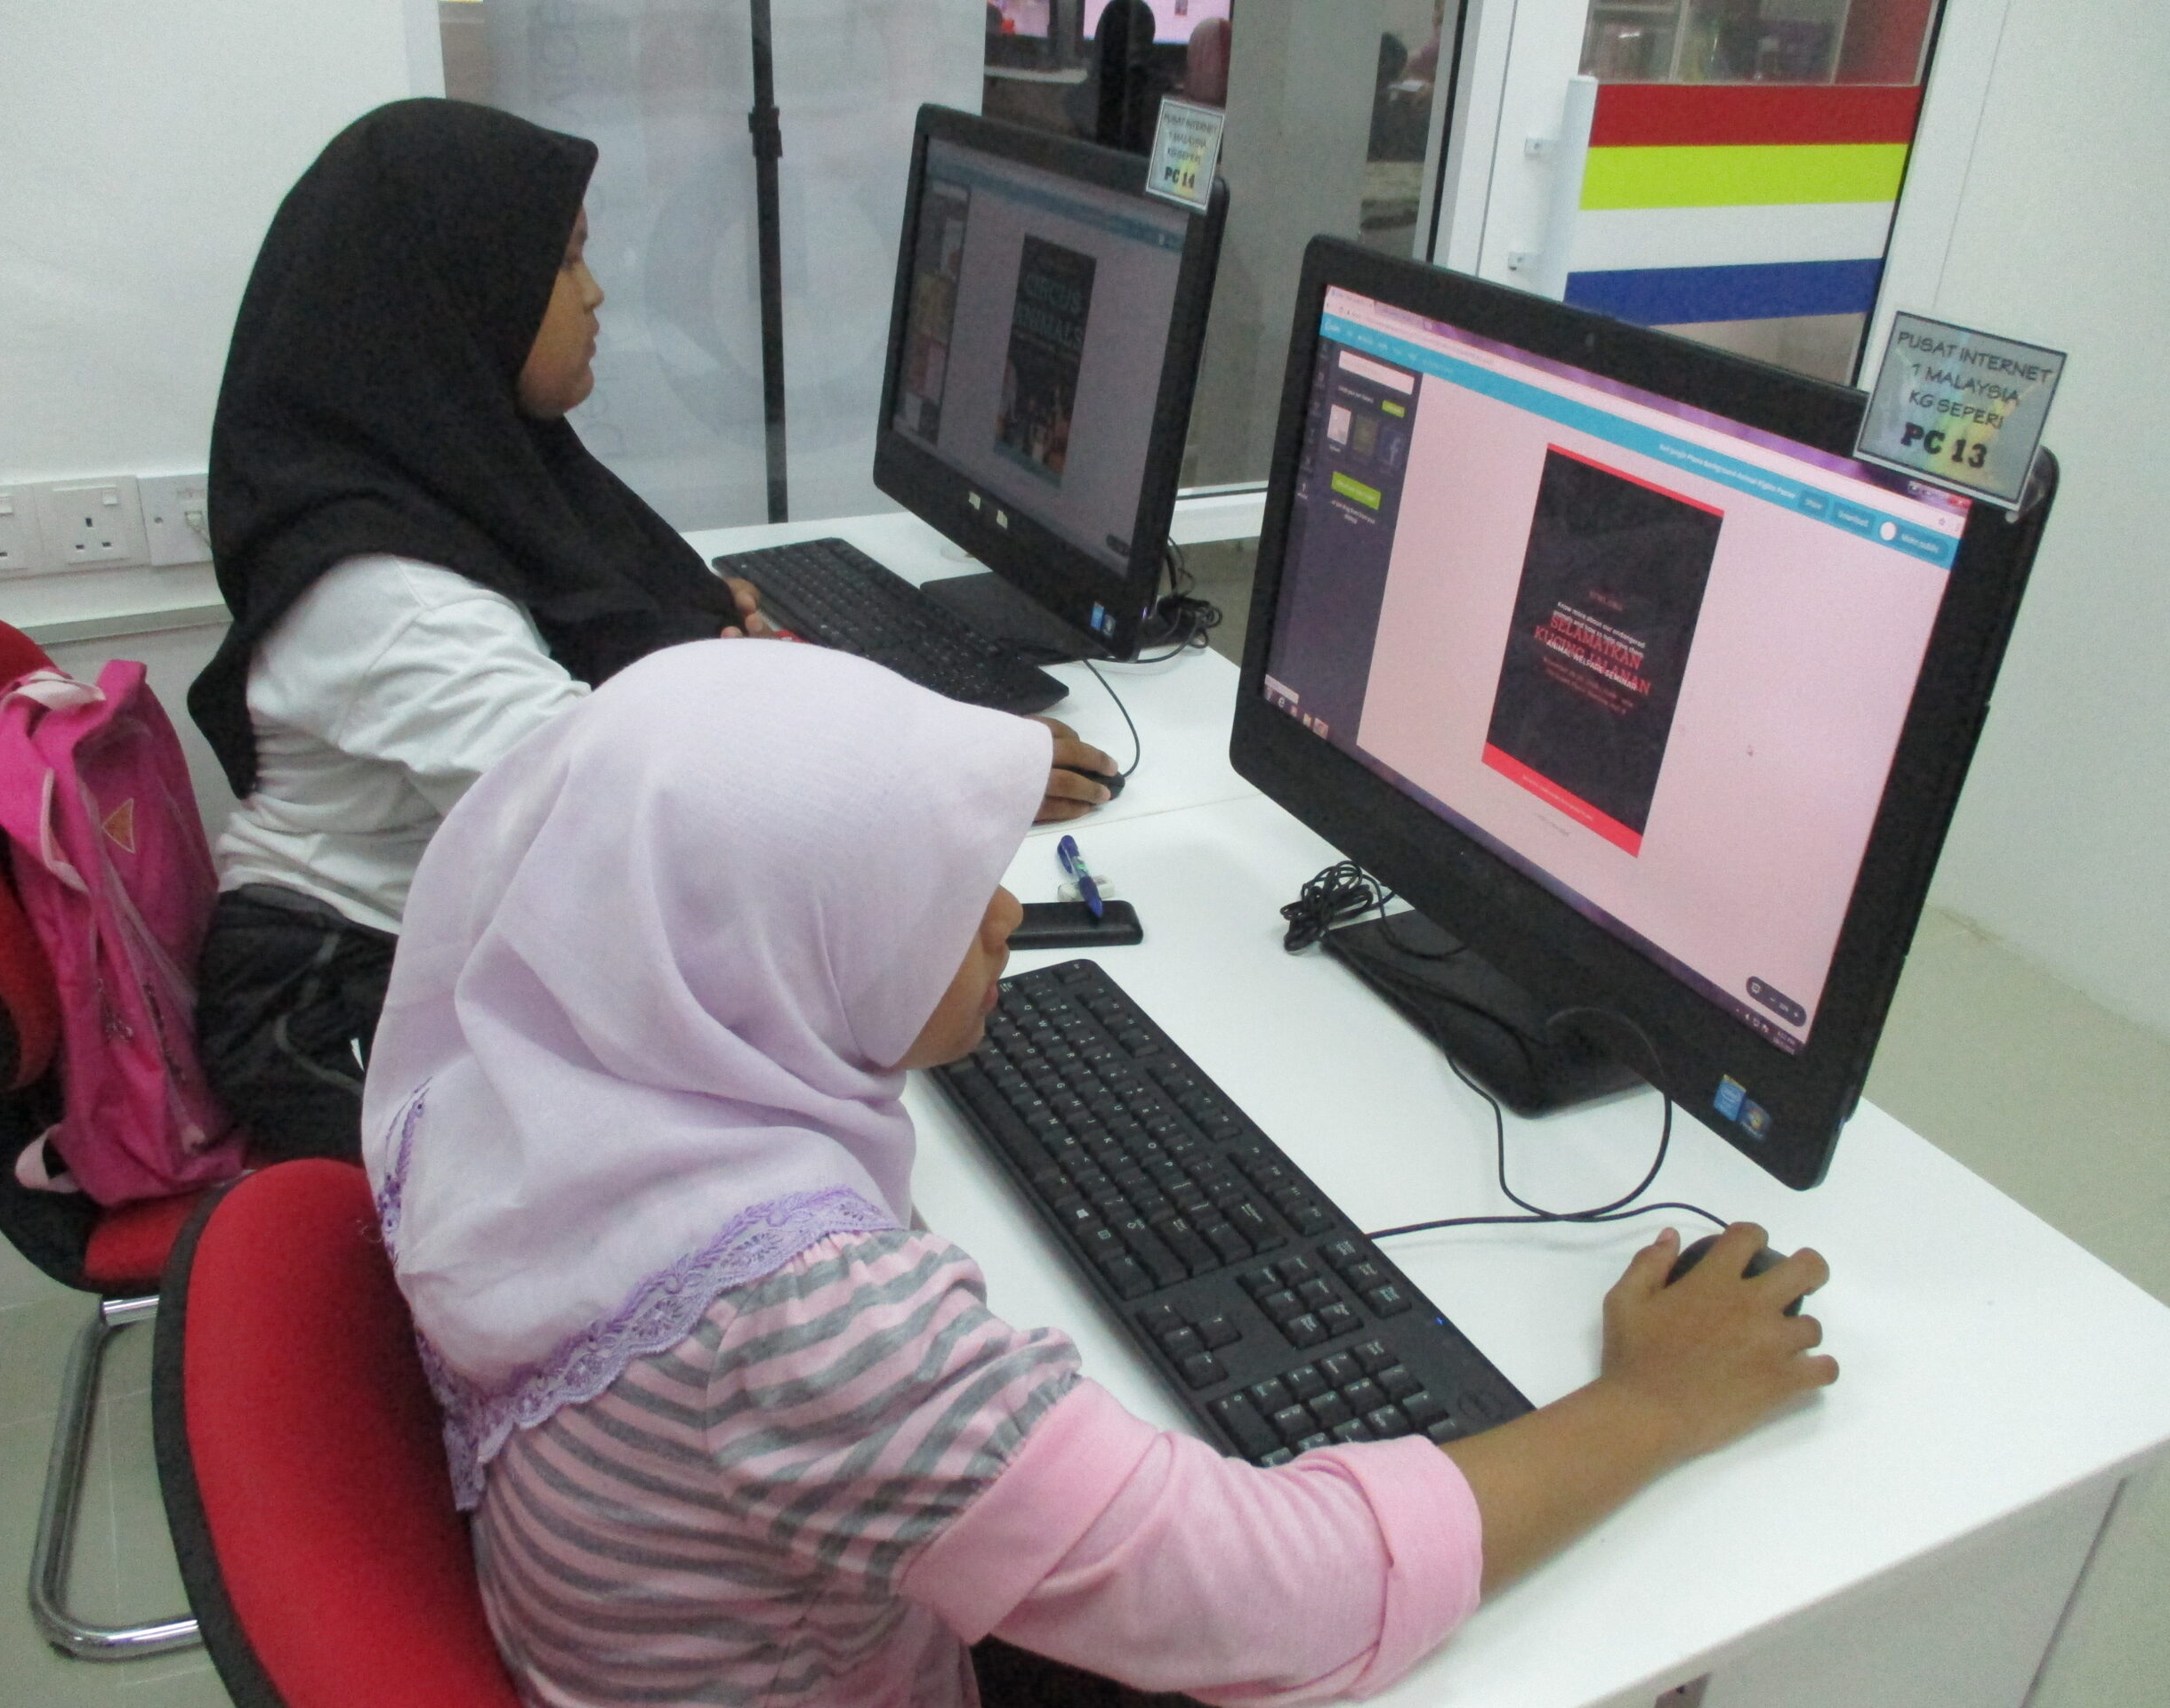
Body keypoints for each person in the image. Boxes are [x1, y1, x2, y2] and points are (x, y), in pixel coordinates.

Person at [361, 638, 1837, 1708]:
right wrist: (1653, 1404)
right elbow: (1288, 1597)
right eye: (927, 896)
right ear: (758, 950)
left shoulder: (526, 1091)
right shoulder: (800, 1321)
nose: (1006, 916)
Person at [187, 100, 1116, 1164]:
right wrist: (942, 777)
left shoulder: (466, 469)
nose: (594, 294)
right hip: (341, 993)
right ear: (460, 292)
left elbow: (614, 664)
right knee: (722, 1173)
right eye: (563, 262)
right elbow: (627, 834)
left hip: (472, 938)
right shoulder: (383, 594)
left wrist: (727, 672)